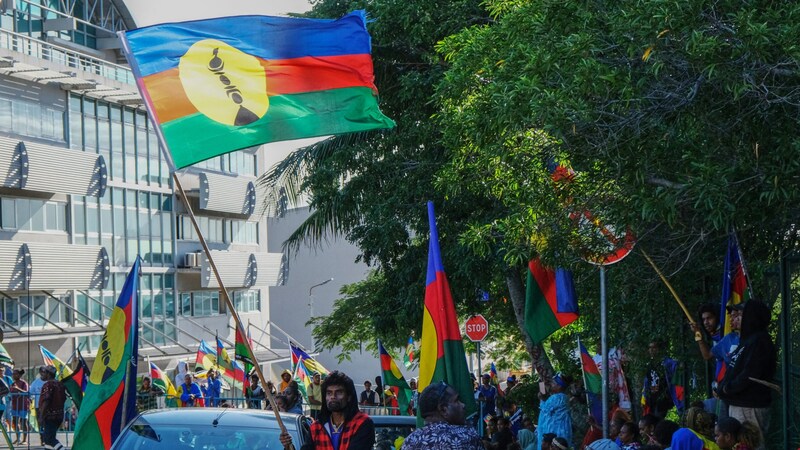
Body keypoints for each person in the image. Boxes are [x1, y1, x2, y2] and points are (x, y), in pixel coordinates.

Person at [717, 300, 776, 445]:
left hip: (750, 407)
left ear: (751, 317)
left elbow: (749, 374)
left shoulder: (760, 341)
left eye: (741, 315)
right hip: (739, 404)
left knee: (749, 446)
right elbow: (734, 368)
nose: (736, 318)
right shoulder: (748, 340)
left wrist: (727, 388)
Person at [280, 370, 375, 450]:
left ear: (349, 397)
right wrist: (288, 447)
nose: (333, 397)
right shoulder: (316, 428)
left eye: (339, 392)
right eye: (329, 393)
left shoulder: (362, 423)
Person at [693, 303, 742, 420]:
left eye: (709, 318)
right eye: (703, 319)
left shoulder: (734, 336)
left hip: (740, 394)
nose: (706, 322)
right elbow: (707, 355)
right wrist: (698, 335)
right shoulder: (727, 338)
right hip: (723, 391)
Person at [400, 381, 483, 449]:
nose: (463, 405)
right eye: (457, 400)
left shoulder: (410, 441)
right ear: (443, 409)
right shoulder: (467, 437)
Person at [642, 340, 682, 419]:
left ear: (659, 349)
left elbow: (676, 366)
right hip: (652, 399)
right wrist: (644, 396)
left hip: (663, 399)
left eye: (654, 347)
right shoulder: (649, 364)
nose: (651, 350)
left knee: (658, 420)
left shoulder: (667, 363)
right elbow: (647, 382)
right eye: (650, 348)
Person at [538, 373, 573, 449]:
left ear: (559, 386)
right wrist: (541, 386)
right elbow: (544, 398)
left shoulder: (557, 397)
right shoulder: (563, 397)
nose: (551, 384)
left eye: (553, 383)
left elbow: (544, 408)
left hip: (555, 432)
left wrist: (541, 387)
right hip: (561, 431)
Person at [38, 365, 67, 450]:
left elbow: (46, 401)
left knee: (49, 439)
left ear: (48, 374)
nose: (42, 374)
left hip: (50, 417)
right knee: (47, 441)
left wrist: (41, 416)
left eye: (44, 372)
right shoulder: (60, 384)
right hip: (59, 416)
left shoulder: (48, 385)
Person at [9, 368, 29, 445]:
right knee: (15, 421)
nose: (14, 375)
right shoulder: (12, 384)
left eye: (15, 374)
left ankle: (24, 440)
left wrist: (18, 389)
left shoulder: (24, 383)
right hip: (14, 406)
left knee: (23, 422)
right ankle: (18, 438)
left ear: (20, 375)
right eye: (13, 374)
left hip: (23, 405)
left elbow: (26, 392)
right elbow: (10, 393)